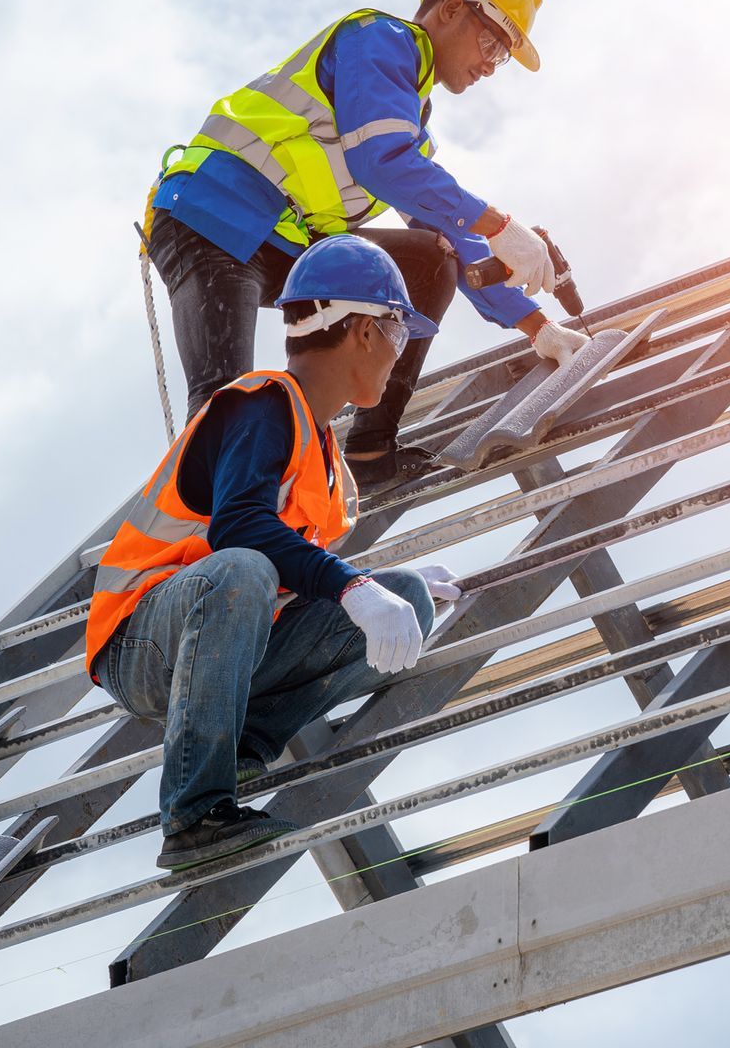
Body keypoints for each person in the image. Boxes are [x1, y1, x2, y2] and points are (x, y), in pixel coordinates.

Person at [141, 0, 589, 491]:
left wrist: (538, 327)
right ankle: (214, 539)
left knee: (431, 260)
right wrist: (499, 225)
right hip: (213, 219)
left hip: (286, 246)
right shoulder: (380, 40)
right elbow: (381, 163)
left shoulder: (407, 120)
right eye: (493, 42)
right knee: (224, 400)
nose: (490, 66)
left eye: (501, 58)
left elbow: (447, 235)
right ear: (449, 10)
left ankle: (370, 452)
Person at [87, 236, 462, 870]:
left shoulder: (322, 455)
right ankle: (195, 812)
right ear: (366, 332)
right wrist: (352, 587)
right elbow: (240, 528)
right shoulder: (262, 405)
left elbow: (290, 566)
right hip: (143, 642)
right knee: (243, 567)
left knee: (411, 601)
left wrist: (375, 588)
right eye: (399, 336)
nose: (401, 357)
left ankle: (237, 747)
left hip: (226, 640)